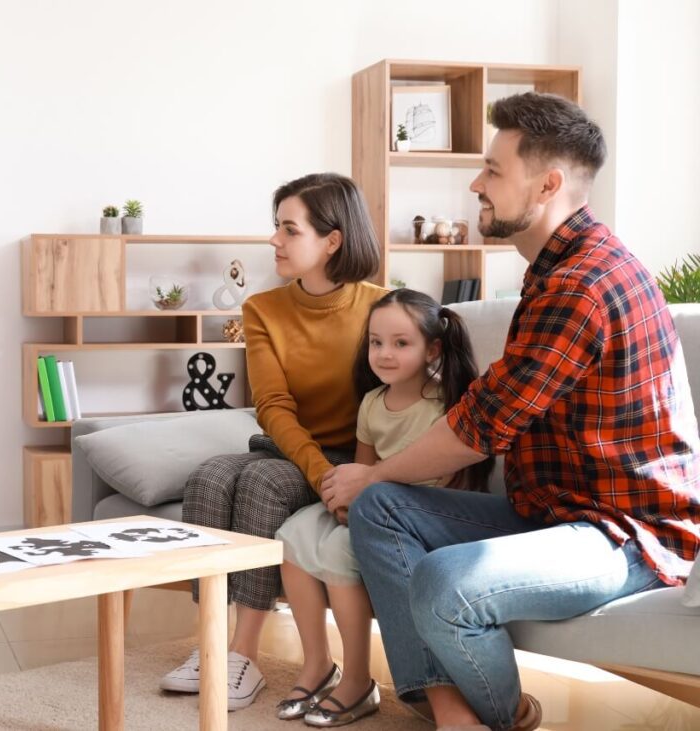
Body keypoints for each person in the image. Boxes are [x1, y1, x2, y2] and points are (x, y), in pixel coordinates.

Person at [323, 92, 700, 731]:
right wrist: (374, 486)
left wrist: (375, 471)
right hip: (551, 513)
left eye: (494, 171)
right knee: (379, 511)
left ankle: (504, 713)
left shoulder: (583, 283)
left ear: (548, 183)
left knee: (445, 580)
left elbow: (482, 427)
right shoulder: (549, 269)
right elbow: (488, 407)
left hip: (624, 532)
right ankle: (455, 713)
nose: (476, 184)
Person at [159, 172, 387, 710]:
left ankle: (243, 654)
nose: (274, 240)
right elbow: (273, 407)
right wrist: (318, 475)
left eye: (289, 229)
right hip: (295, 451)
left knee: (261, 481)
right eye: (276, 227)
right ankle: (214, 643)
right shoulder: (263, 309)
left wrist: (347, 478)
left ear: (333, 240)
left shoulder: (383, 306)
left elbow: (391, 405)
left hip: (350, 457)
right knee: (210, 475)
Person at [275, 288, 487, 727]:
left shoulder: (443, 406)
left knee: (337, 553)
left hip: (417, 516)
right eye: (376, 342)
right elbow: (363, 469)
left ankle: (357, 679)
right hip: (372, 503)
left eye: (400, 343)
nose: (384, 354)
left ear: (432, 348)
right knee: (291, 537)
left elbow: (448, 482)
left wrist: (367, 503)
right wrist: (341, 502)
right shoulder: (372, 404)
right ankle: (317, 663)